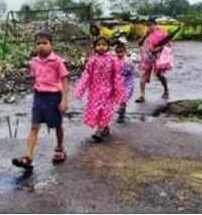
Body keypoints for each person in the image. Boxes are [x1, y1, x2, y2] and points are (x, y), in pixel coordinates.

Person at [12, 31, 70, 170]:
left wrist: (64, 100)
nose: (41, 46)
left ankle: (60, 147)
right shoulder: (34, 62)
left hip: (54, 96)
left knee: (57, 125)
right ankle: (28, 157)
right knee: (34, 126)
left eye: (45, 43)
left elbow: (65, 80)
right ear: (34, 46)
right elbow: (35, 78)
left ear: (51, 45)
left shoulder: (57, 61)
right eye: (38, 43)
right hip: (39, 97)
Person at [73, 36, 125, 142]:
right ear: (95, 47)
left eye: (104, 45)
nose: (101, 47)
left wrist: (118, 91)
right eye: (99, 45)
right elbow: (86, 75)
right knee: (96, 110)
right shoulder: (92, 60)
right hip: (95, 91)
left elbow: (117, 76)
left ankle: (99, 131)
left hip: (108, 91)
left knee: (104, 109)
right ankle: (104, 127)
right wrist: (80, 89)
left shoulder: (112, 60)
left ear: (108, 47)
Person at [135, 18, 176, 103]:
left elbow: (168, 44)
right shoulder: (146, 34)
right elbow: (139, 43)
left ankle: (166, 90)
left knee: (159, 75)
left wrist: (159, 48)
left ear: (155, 24)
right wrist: (144, 36)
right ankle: (142, 95)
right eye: (147, 25)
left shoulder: (161, 33)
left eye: (150, 25)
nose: (149, 27)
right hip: (147, 56)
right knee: (143, 74)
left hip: (158, 56)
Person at [114, 41, 134, 123]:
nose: (119, 54)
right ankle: (122, 110)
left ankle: (121, 115)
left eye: (121, 52)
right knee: (120, 98)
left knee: (123, 98)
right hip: (118, 83)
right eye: (118, 52)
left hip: (127, 83)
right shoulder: (114, 60)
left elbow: (131, 72)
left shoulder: (128, 61)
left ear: (125, 52)